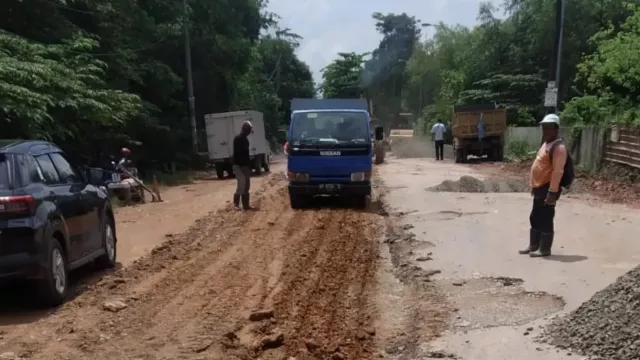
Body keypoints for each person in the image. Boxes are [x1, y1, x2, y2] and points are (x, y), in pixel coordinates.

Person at [519, 113, 567, 257]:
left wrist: (552, 192)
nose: (546, 130)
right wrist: (534, 186)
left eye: (549, 128)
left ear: (556, 129)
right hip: (539, 186)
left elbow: (558, 171)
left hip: (548, 188)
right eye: (544, 127)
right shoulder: (546, 143)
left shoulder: (559, 147)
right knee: (535, 216)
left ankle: (545, 249)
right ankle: (533, 245)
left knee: (546, 217)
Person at [232, 121, 253, 210]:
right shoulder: (238, 138)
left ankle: (245, 205)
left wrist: (248, 166)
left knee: (246, 184)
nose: (249, 131)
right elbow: (239, 154)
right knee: (242, 183)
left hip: (244, 165)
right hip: (238, 165)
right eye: (249, 129)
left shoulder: (245, 139)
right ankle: (236, 204)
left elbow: (245, 154)